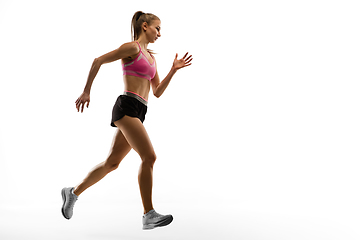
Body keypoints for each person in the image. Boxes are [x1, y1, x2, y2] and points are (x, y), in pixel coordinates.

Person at [61, 11, 192, 230]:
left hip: (140, 110)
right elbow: (98, 60)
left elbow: (157, 92)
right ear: (144, 27)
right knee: (149, 156)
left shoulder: (151, 57)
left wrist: (173, 70)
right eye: (157, 28)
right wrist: (86, 91)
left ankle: (72, 192)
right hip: (127, 106)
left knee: (112, 163)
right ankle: (148, 213)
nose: (160, 33)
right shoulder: (132, 48)